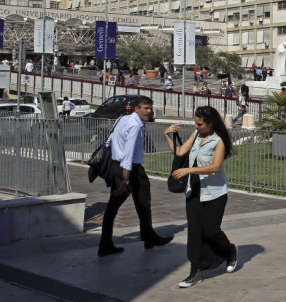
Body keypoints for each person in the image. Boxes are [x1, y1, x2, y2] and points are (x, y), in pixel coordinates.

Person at [164, 106, 237, 288]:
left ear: (210, 123)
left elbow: (215, 167)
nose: (197, 127)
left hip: (214, 193)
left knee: (211, 231)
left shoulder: (218, 141)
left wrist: (189, 169)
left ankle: (229, 250)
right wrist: (167, 135)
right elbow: (180, 152)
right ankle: (195, 271)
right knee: (195, 232)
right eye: (195, 124)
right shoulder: (196, 135)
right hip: (194, 190)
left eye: (200, 124)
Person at [98, 96, 173, 257]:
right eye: (146, 108)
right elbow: (128, 154)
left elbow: (109, 141)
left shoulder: (122, 120)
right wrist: (125, 180)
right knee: (142, 203)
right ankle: (147, 237)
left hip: (117, 166)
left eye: (150, 108)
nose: (149, 111)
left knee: (124, 205)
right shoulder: (135, 126)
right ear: (136, 109)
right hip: (131, 170)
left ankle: (108, 243)